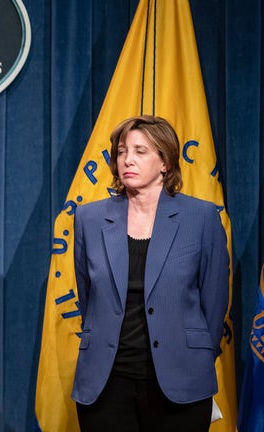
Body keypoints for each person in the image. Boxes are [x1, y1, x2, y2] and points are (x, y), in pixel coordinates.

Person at [72, 115, 229, 431]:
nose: (127, 159)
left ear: (165, 162)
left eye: (140, 151)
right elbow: (88, 296)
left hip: (181, 380)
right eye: (121, 151)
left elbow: (214, 303)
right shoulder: (89, 218)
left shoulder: (201, 218)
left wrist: (190, 356)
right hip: (105, 382)